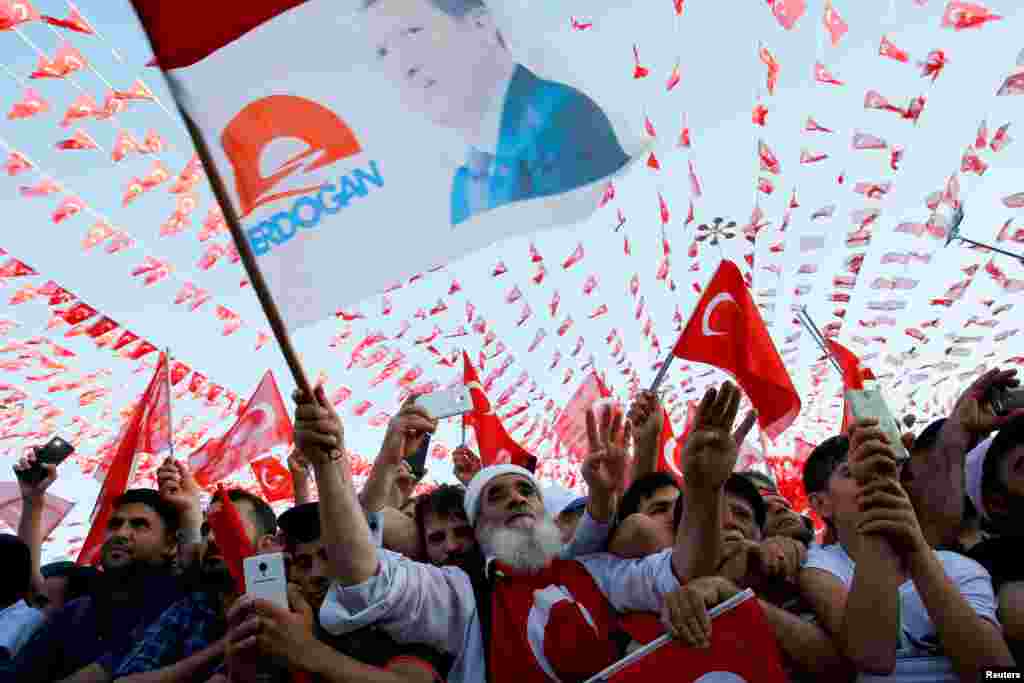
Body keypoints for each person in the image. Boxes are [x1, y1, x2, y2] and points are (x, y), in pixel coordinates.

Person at [296, 381, 762, 683]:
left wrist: (703, 489)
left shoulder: (596, 573)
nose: (517, 499)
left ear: (546, 512)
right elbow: (364, 577)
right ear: (477, 530)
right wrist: (329, 464)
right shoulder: (464, 598)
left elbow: (685, 570)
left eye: (525, 491)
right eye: (496, 497)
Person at [359, 0, 630, 226]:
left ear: (480, 25)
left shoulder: (561, 122)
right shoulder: (464, 185)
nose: (403, 66)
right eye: (384, 52)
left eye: (413, 32)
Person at [799, 419, 1014, 681]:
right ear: (821, 503)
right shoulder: (822, 569)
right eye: (852, 473)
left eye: (885, 469)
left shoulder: (960, 567)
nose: (874, 480)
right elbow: (873, 658)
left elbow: (1001, 676)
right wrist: (880, 530)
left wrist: (916, 552)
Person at [231, 500, 446, 682]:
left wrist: (307, 650)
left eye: (330, 556)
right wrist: (242, 669)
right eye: (304, 563)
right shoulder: (286, 628)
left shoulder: (401, 614)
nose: (316, 574)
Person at [9, 488, 183, 683]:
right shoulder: (77, 611)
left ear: (171, 544)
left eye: (139, 525)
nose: (121, 533)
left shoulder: (179, 606)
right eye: (115, 524)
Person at [112, 489, 279, 682]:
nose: (210, 539)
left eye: (227, 525)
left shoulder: (284, 609)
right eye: (206, 529)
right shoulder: (191, 607)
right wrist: (222, 646)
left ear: (266, 545)